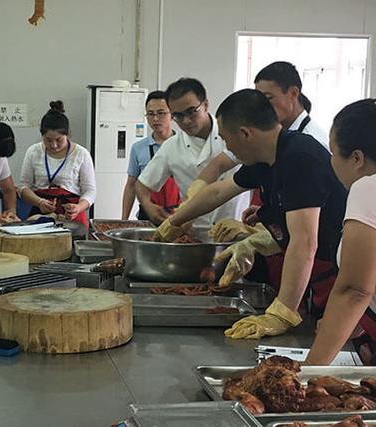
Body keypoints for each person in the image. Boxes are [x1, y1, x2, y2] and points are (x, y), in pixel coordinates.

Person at [160, 89, 347, 339]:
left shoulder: (300, 158)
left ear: (246, 134)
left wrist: (282, 313)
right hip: (311, 272)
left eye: (226, 139)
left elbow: (305, 242)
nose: (227, 147)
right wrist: (176, 220)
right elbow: (218, 192)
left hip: (335, 273)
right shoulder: (264, 159)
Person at [187, 61, 328, 200]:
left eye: (267, 98)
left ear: (293, 93)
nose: (259, 105)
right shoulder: (265, 137)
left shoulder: (310, 144)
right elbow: (219, 167)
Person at [306, 99, 376, 365]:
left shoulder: (368, 187)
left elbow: (355, 290)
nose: (330, 161)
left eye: (333, 153)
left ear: (357, 158)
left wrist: (308, 377)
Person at [137, 78, 249, 229]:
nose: (186, 121)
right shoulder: (171, 147)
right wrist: (147, 205)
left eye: (191, 112)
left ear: (205, 105)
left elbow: (219, 167)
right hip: (194, 237)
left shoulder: (234, 133)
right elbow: (142, 184)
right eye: (178, 116)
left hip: (235, 232)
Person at [19, 101, 96, 226]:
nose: (54, 145)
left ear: (68, 134)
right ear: (42, 135)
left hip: (71, 214)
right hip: (40, 213)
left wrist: (78, 208)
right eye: (48, 140)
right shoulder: (33, 152)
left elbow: (90, 191)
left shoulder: (81, 154)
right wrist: (39, 202)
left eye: (59, 140)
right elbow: (23, 187)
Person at [121, 91, 180, 220]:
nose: (155, 119)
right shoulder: (139, 148)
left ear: (172, 115)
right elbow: (131, 185)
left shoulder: (184, 144)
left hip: (179, 214)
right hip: (148, 215)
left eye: (161, 113)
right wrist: (124, 220)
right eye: (150, 114)